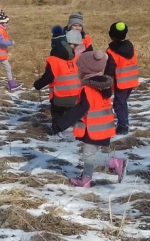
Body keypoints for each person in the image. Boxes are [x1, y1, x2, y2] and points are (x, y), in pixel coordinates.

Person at [52, 50, 127, 187]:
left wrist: (60, 124)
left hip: (94, 128)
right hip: (103, 125)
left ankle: (114, 163)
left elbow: (79, 110)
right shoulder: (103, 86)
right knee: (89, 154)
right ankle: (86, 180)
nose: (77, 70)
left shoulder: (88, 89)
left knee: (88, 156)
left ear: (85, 71)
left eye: (79, 68)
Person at [34, 25, 81, 126]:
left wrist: (37, 85)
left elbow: (48, 77)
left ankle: (57, 131)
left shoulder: (53, 60)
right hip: (75, 96)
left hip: (59, 98)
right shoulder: (76, 58)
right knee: (70, 115)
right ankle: (71, 130)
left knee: (57, 115)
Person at [105, 21, 139, 136]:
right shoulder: (130, 46)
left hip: (121, 82)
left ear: (111, 35)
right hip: (132, 80)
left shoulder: (111, 51)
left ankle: (123, 127)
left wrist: (105, 83)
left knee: (118, 104)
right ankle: (125, 122)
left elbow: (109, 70)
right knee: (122, 102)